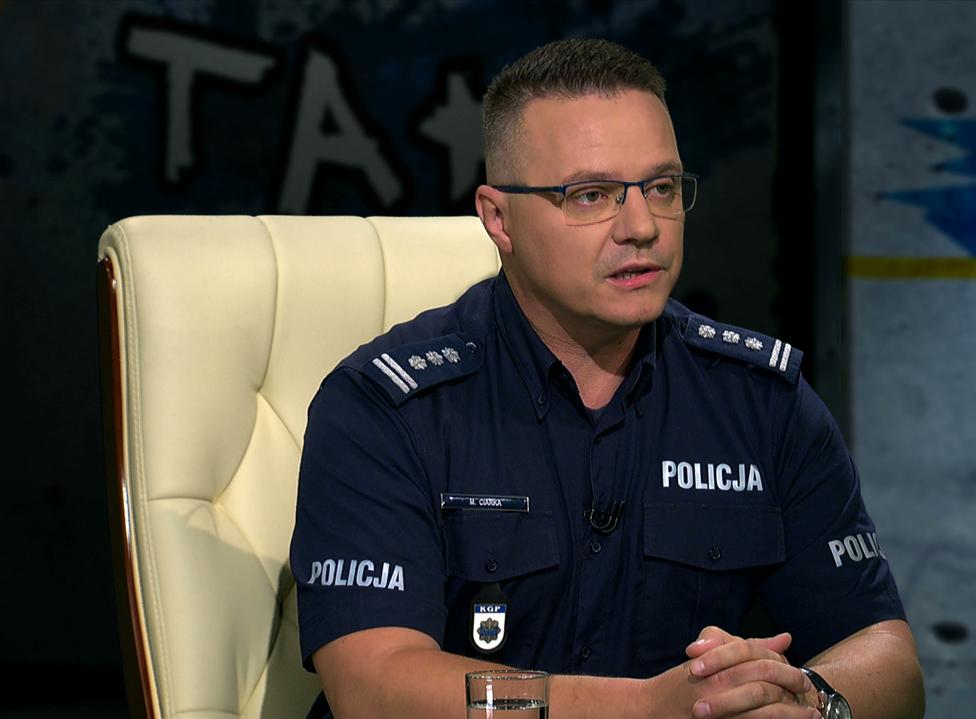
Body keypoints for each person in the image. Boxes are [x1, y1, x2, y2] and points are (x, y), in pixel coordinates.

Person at [289, 38, 924, 719]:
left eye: (662, 187)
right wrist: (646, 710)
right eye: (591, 195)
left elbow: (886, 652)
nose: (643, 227)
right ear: (498, 218)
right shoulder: (385, 408)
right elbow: (374, 685)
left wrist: (810, 701)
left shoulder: (762, 400)